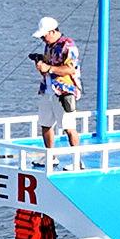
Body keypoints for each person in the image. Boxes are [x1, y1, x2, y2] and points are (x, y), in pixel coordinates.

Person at [30, 18, 82, 147]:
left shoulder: (68, 45)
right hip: (48, 90)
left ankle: (77, 160)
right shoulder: (48, 45)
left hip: (64, 92)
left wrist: (49, 68)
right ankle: (50, 156)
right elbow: (49, 67)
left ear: (53, 32)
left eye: (43, 36)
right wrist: (42, 67)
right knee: (45, 124)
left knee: (69, 128)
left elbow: (71, 69)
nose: (42, 39)